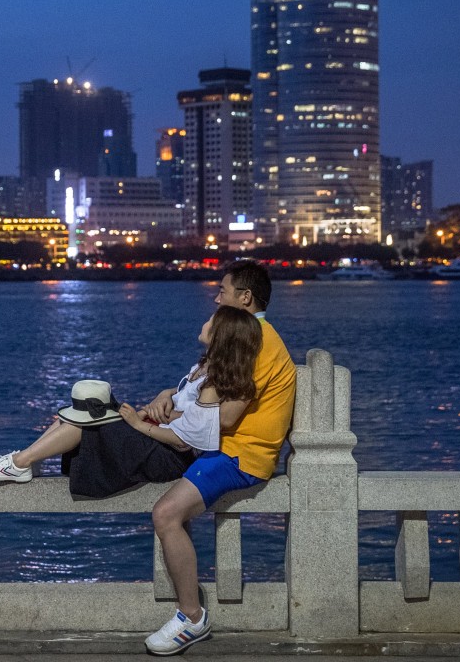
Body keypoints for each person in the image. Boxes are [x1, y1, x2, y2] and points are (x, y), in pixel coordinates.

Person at [143, 260, 296, 656]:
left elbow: (225, 416)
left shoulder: (257, 340)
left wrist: (168, 416)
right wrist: (167, 401)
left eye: (223, 291)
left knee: (165, 514)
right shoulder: (249, 334)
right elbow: (203, 397)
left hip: (239, 455)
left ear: (245, 298)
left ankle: (191, 618)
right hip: (217, 445)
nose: (215, 297)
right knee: (129, 439)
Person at [0, 306, 263, 500]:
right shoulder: (202, 368)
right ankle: (23, 461)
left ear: (219, 335)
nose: (205, 322)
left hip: (169, 457)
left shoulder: (212, 383)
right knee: (83, 409)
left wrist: (140, 424)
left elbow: (188, 440)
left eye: (211, 321)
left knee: (90, 422)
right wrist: (162, 401)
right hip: (158, 441)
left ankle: (20, 463)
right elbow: (184, 414)